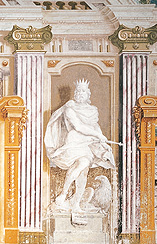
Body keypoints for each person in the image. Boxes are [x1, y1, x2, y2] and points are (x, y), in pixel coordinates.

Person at [44, 79, 116, 212]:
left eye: (83, 91)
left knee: (83, 172)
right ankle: (63, 194)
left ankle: (76, 203)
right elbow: (78, 126)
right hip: (74, 142)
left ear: (88, 94)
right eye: (77, 91)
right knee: (82, 163)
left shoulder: (93, 110)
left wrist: (103, 143)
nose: (79, 93)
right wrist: (98, 135)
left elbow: (94, 126)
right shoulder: (69, 108)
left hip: (87, 144)